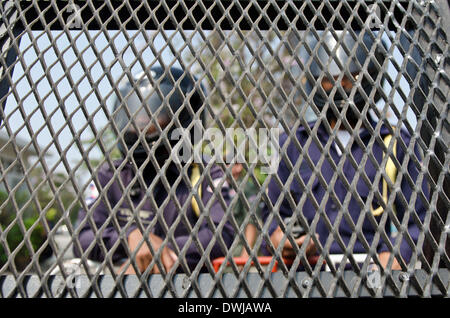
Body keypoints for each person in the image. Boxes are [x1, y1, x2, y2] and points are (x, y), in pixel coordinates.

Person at [261, 31, 428, 271]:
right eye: (329, 79)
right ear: (316, 81)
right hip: (308, 273)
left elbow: (417, 220)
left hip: (371, 270)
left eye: (351, 78)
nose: (340, 87)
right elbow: (273, 214)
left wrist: (395, 254)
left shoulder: (396, 145)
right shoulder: (293, 145)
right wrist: (279, 239)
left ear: (370, 77)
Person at [73, 66, 234, 274]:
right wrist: (129, 237)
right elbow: (83, 237)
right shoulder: (110, 175)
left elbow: (222, 233)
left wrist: (159, 254)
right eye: (134, 112)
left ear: (185, 116)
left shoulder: (206, 173)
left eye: (155, 112)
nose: (140, 121)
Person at [229, 162, 264, 258]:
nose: (239, 169)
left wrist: (245, 254)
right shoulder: (220, 188)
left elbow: (252, 220)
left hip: (238, 252)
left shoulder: (247, 188)